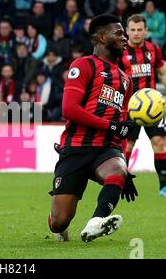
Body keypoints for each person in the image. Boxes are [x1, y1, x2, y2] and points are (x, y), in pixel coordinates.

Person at [48, 14, 138, 243]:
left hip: (106, 149)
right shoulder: (83, 65)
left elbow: (123, 127)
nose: (125, 37)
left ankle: (95, 223)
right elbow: (69, 109)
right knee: (59, 221)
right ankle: (59, 225)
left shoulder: (125, 80)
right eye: (118, 33)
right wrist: (112, 125)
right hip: (76, 147)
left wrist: (125, 166)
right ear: (101, 37)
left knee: (117, 170)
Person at [119, 14, 166, 197]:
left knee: (158, 143)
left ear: (145, 30)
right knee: (127, 145)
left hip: (153, 107)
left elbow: (164, 73)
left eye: (140, 30)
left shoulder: (153, 49)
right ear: (127, 31)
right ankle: (120, 183)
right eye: (133, 30)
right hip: (129, 107)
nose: (136, 33)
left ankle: (163, 187)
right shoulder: (120, 51)